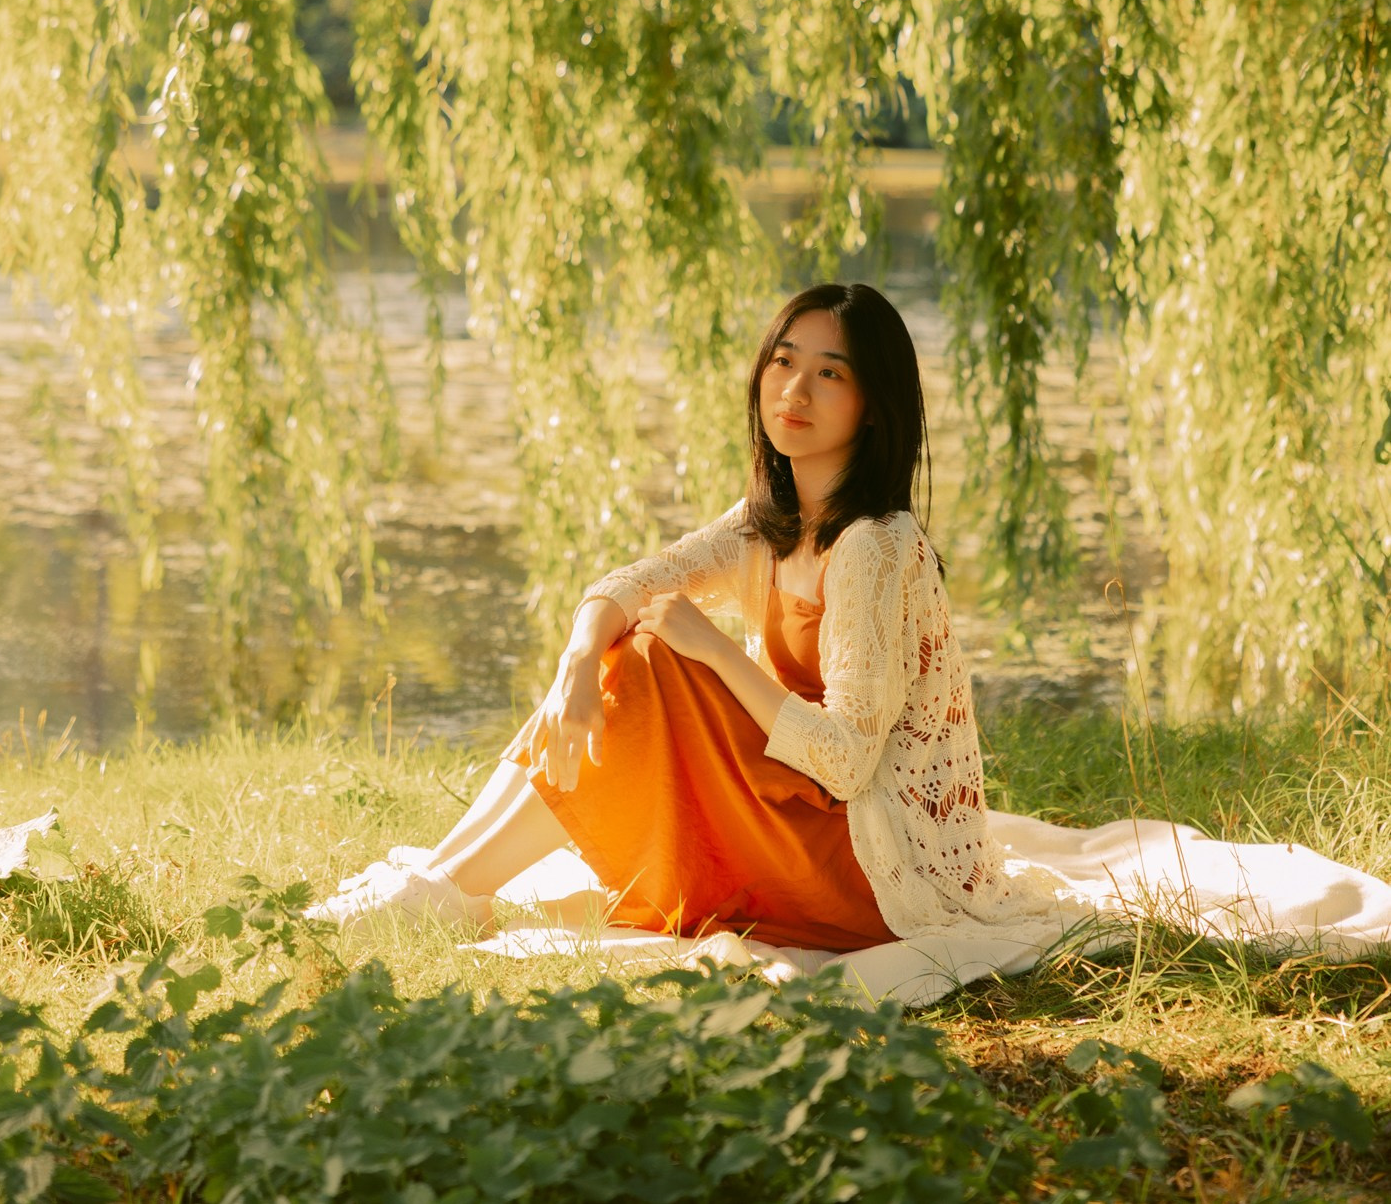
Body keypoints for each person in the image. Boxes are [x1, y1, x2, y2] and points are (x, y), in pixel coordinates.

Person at [311, 281, 1049, 949]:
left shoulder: (873, 547)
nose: (794, 389)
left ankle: (450, 891)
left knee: (651, 658)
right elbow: (633, 580)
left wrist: (716, 653)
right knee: (615, 642)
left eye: (830, 373)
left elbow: (849, 764)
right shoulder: (772, 521)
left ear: (872, 407)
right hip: (798, 816)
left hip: (861, 867)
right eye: (783, 362)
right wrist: (573, 664)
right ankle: (447, 881)